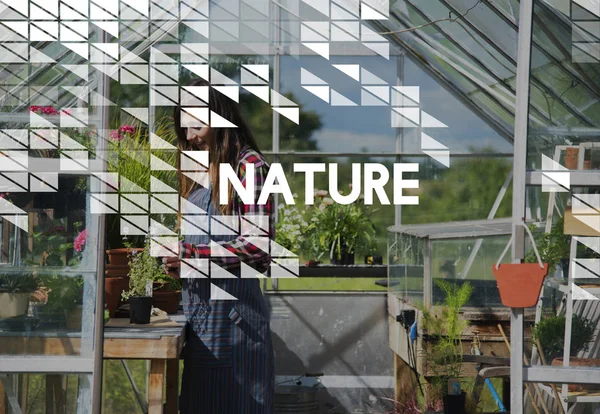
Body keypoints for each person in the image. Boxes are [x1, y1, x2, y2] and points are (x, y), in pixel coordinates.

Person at [163, 77, 275, 413]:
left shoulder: (249, 169)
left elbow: (258, 252)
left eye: (195, 124)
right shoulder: (203, 173)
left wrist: (191, 257)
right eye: (184, 127)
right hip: (203, 327)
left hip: (236, 333)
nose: (189, 136)